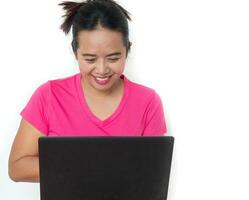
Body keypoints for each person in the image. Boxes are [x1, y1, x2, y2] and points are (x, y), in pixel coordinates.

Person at [8, 0, 167, 183]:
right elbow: (17, 168)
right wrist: (89, 164)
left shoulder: (148, 101)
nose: (101, 69)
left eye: (113, 58)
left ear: (127, 50)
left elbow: (153, 172)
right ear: (75, 52)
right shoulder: (49, 96)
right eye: (90, 59)